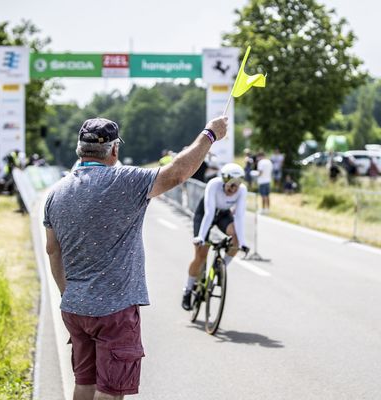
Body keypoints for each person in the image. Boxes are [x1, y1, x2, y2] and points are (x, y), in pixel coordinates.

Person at [43, 116, 227, 400]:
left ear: (80, 148)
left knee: (84, 384)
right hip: (115, 310)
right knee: (110, 391)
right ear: (114, 149)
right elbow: (177, 173)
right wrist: (210, 135)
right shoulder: (126, 180)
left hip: (74, 308)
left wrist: (68, 293)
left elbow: (52, 250)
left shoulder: (56, 192)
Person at [182, 163, 249, 311]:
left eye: (237, 186)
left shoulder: (242, 190)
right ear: (224, 181)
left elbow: (239, 216)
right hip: (205, 215)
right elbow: (209, 213)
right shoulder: (214, 184)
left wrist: (243, 242)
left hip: (223, 215)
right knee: (201, 256)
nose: (234, 190)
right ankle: (188, 289)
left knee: (236, 239)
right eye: (231, 186)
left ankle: (221, 267)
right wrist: (201, 237)